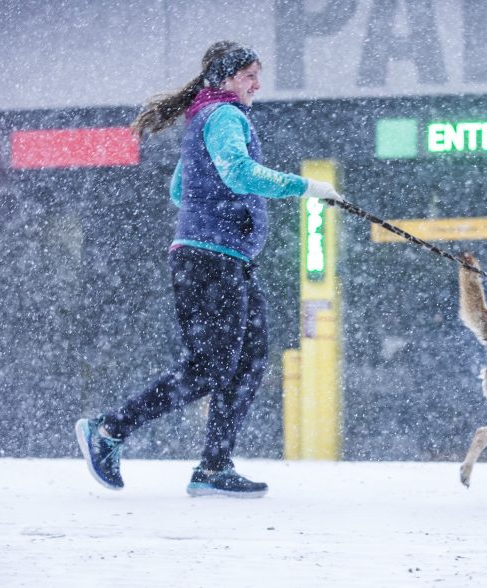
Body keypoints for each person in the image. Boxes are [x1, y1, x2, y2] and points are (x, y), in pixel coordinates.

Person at [75, 40, 342, 498]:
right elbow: (238, 173)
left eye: (259, 74)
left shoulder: (206, 117)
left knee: (248, 361)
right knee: (211, 366)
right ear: (223, 78)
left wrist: (223, 212)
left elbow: (182, 189)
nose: (258, 83)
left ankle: (214, 467)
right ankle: (108, 431)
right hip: (210, 260)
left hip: (224, 259)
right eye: (249, 75)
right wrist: (306, 187)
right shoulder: (223, 117)